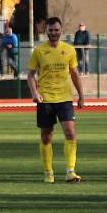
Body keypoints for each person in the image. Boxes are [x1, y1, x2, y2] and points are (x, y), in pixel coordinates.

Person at [27, 16, 85, 184]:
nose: (53, 33)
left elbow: (74, 73)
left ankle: (70, 171)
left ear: (61, 31)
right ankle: (48, 172)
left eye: (56, 30)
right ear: (47, 31)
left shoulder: (69, 50)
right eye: (51, 30)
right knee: (46, 136)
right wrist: (34, 92)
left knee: (71, 133)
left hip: (65, 98)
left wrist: (81, 96)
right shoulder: (39, 51)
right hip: (45, 99)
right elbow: (30, 75)